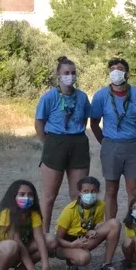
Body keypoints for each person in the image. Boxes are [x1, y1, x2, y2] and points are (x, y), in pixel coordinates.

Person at [89, 58, 136, 221]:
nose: (115, 72)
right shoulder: (101, 96)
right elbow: (94, 122)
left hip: (133, 147)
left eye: (120, 68)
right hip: (110, 146)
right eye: (112, 69)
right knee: (111, 190)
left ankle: (134, 226)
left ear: (127, 74)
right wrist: (104, 141)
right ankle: (110, 226)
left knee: (134, 191)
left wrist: (135, 137)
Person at [35, 56, 92, 229]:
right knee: (49, 196)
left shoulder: (82, 97)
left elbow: (85, 120)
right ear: (58, 75)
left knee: (78, 195)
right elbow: (39, 123)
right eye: (66, 73)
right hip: (55, 142)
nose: (70, 76)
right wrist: (48, 143)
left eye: (73, 73)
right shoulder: (49, 97)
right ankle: (43, 235)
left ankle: (75, 233)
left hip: (78, 142)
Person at [53, 176, 122, 270]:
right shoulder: (70, 210)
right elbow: (58, 238)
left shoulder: (100, 205)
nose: (90, 194)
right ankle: (71, 260)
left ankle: (106, 264)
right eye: (86, 191)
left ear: (98, 192)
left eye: (93, 191)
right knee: (84, 258)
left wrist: (90, 232)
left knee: (115, 223)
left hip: (82, 239)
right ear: (79, 192)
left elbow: (90, 225)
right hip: (65, 243)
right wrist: (72, 245)